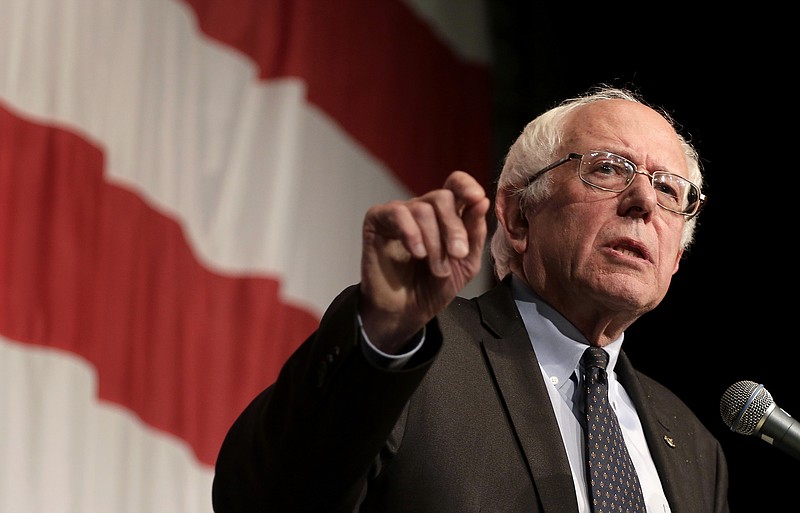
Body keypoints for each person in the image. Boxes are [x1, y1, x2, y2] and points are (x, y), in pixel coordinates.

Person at [211, 85, 730, 513]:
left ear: (677, 256)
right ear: (519, 216)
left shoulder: (694, 446)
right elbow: (261, 499)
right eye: (608, 169)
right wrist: (383, 341)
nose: (643, 201)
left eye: (669, 190)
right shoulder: (416, 357)